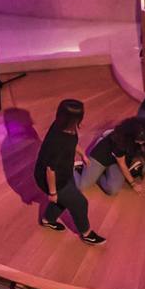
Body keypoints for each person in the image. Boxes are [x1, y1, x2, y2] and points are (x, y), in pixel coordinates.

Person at [35, 99, 103, 244]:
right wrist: (53, 193)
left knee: (66, 199)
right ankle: (86, 234)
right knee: (80, 203)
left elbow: (72, 142)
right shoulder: (57, 142)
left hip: (63, 171)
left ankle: (48, 220)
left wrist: (82, 154)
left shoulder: (64, 126)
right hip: (53, 179)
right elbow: (50, 169)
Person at [79, 115, 145, 197]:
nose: (141, 143)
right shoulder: (120, 139)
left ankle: (98, 174)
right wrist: (133, 184)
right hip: (102, 155)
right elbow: (122, 164)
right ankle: (78, 167)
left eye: (144, 141)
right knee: (82, 185)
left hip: (117, 160)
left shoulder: (141, 137)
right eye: (140, 140)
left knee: (112, 190)